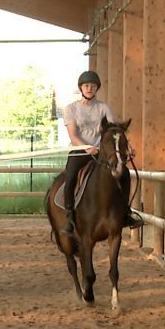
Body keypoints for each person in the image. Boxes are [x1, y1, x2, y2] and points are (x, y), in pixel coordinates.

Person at [60, 70, 143, 236]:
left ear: (97, 88)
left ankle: (126, 212)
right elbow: (73, 136)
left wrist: (128, 147)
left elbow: (115, 131)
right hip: (79, 152)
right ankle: (69, 217)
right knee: (70, 178)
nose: (89, 88)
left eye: (93, 85)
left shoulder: (103, 108)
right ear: (81, 88)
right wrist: (86, 147)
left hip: (101, 153)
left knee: (124, 174)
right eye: (86, 85)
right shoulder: (71, 109)